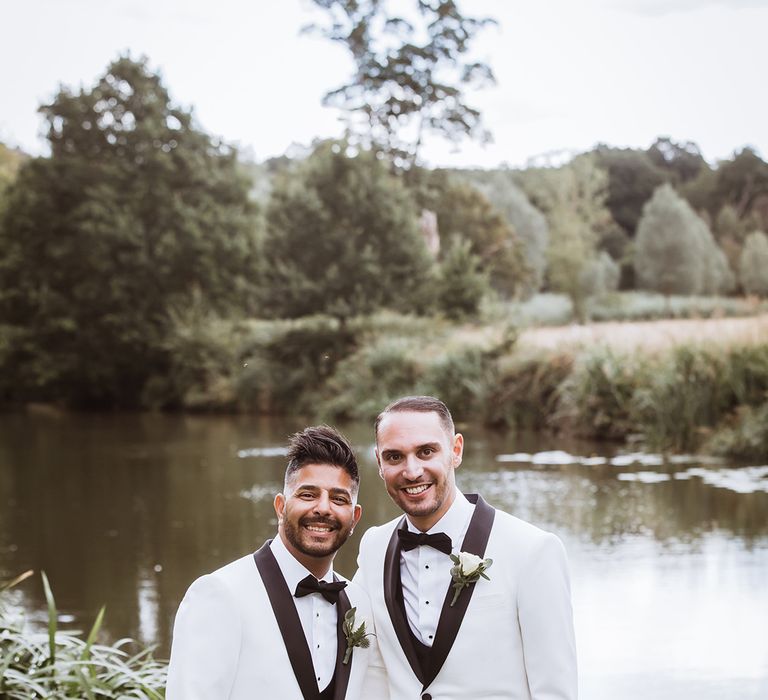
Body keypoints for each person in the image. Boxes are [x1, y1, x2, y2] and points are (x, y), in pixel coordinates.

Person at [354, 396, 577, 699]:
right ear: (380, 464)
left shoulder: (533, 551)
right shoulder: (373, 547)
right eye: (395, 457)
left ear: (456, 450)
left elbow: (554, 690)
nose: (412, 471)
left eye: (426, 451)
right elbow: (370, 668)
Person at [167, 425, 387, 700]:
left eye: (338, 498)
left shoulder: (360, 603)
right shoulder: (220, 593)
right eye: (308, 494)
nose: (322, 508)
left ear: (354, 518)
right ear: (281, 507)